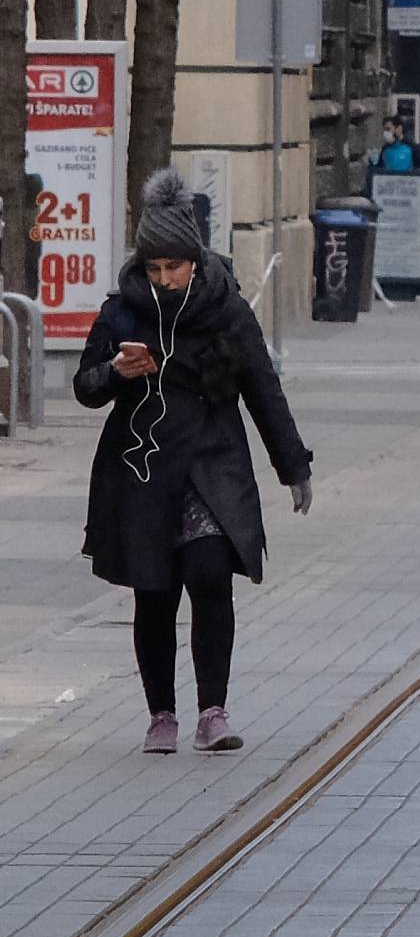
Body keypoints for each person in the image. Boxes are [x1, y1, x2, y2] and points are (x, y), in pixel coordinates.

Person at [73, 168, 312, 756]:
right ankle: (162, 715)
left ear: (195, 262)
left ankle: (213, 710)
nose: (164, 280)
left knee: (208, 575)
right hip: (141, 467)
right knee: (153, 592)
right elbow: (84, 386)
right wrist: (115, 372)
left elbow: (262, 387)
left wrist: (293, 466)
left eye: (174, 268)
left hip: (211, 464)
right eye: (153, 269)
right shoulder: (122, 313)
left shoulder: (225, 309)